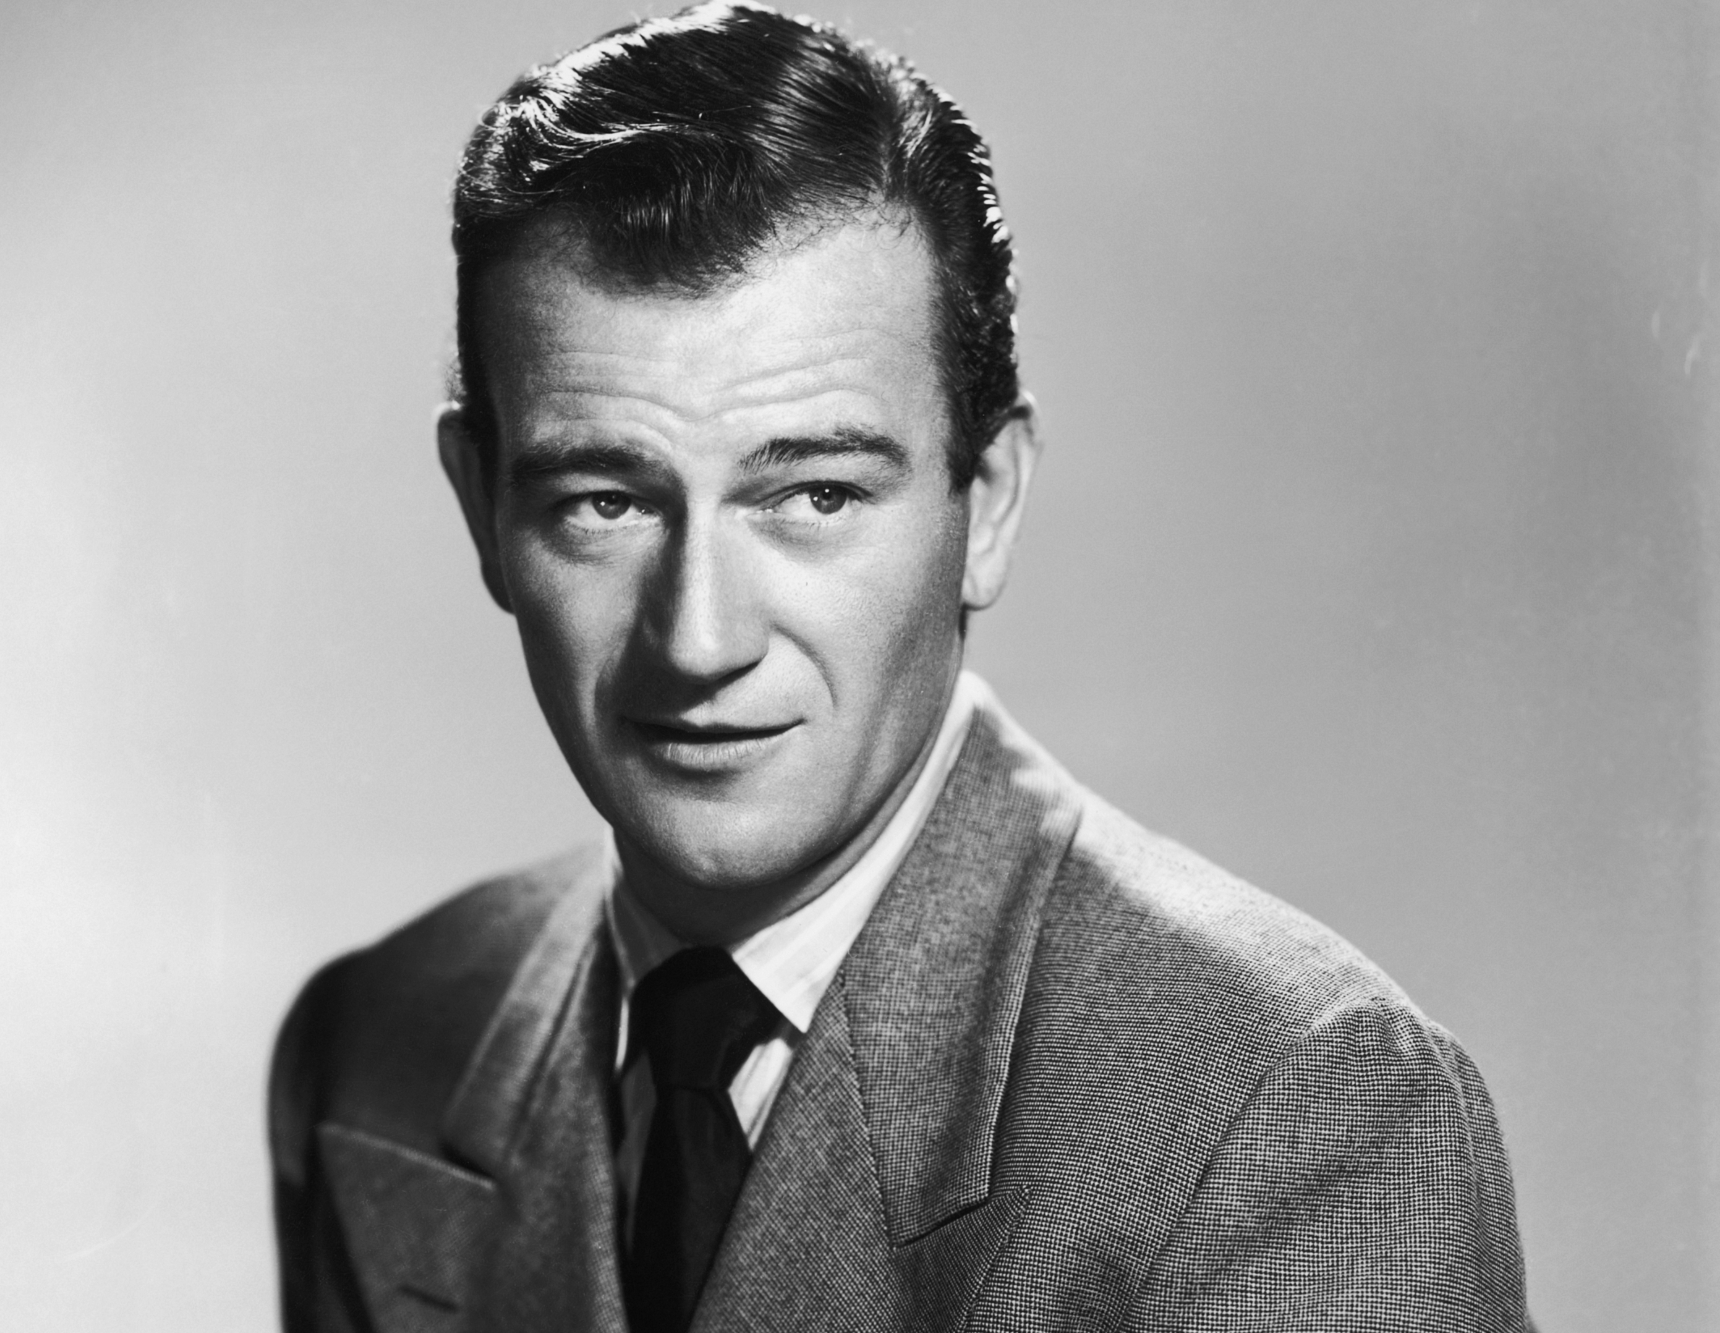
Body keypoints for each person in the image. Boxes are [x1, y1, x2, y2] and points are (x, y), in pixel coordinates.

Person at [267, 4, 1533, 1329]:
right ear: (482, 510)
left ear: (986, 502)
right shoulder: (374, 1047)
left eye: (813, 494)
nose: (701, 638)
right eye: (604, 501)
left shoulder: (1301, 1111)